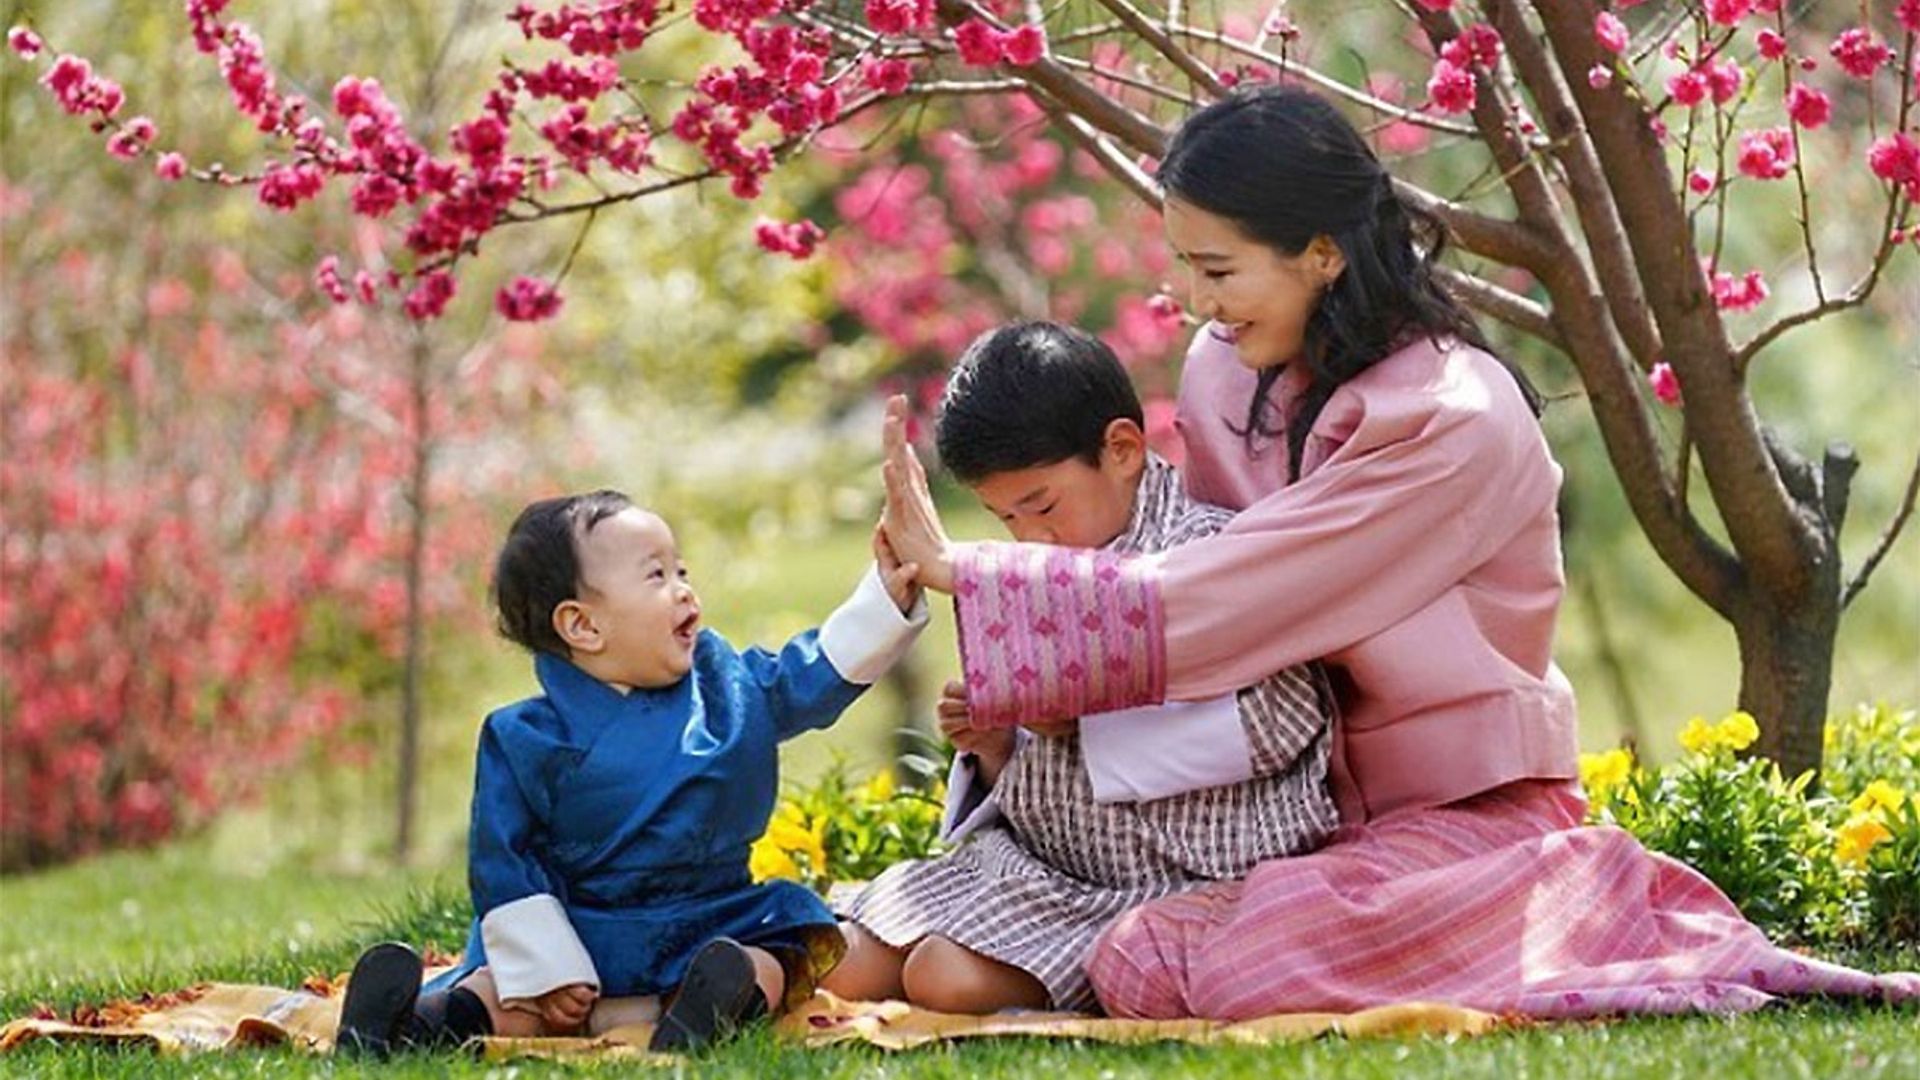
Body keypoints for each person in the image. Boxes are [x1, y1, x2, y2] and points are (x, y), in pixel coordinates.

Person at [875, 85, 1919, 1019]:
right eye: (1185, 269)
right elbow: (1177, 576)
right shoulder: (1220, 374)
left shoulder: (1449, 416)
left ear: (1323, 252)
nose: (1195, 302)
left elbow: (1235, 594)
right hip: (1287, 820)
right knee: (1124, 942)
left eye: (1217, 269)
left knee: (1216, 964)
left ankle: (1575, 889)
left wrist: (973, 570)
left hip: (1456, 815)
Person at [825, 321, 1338, 1014]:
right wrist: (997, 746)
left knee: (941, 978)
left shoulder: (1209, 553)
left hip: (1176, 880)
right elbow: (1038, 778)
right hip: (1039, 868)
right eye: (1005, 519)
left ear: (1122, 449)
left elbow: (1281, 721)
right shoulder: (1030, 579)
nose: (1031, 537)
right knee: (842, 959)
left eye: (1042, 505)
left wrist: (1084, 723)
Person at [335, 490, 928, 1055]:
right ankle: (410, 1023)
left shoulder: (731, 689)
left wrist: (885, 601)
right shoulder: (525, 737)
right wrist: (548, 968)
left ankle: (706, 1006)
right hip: (581, 936)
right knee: (509, 995)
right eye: (657, 576)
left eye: (682, 571)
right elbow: (504, 862)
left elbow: (811, 671)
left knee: (764, 957)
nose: (683, 590)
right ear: (584, 626)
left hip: (714, 924)